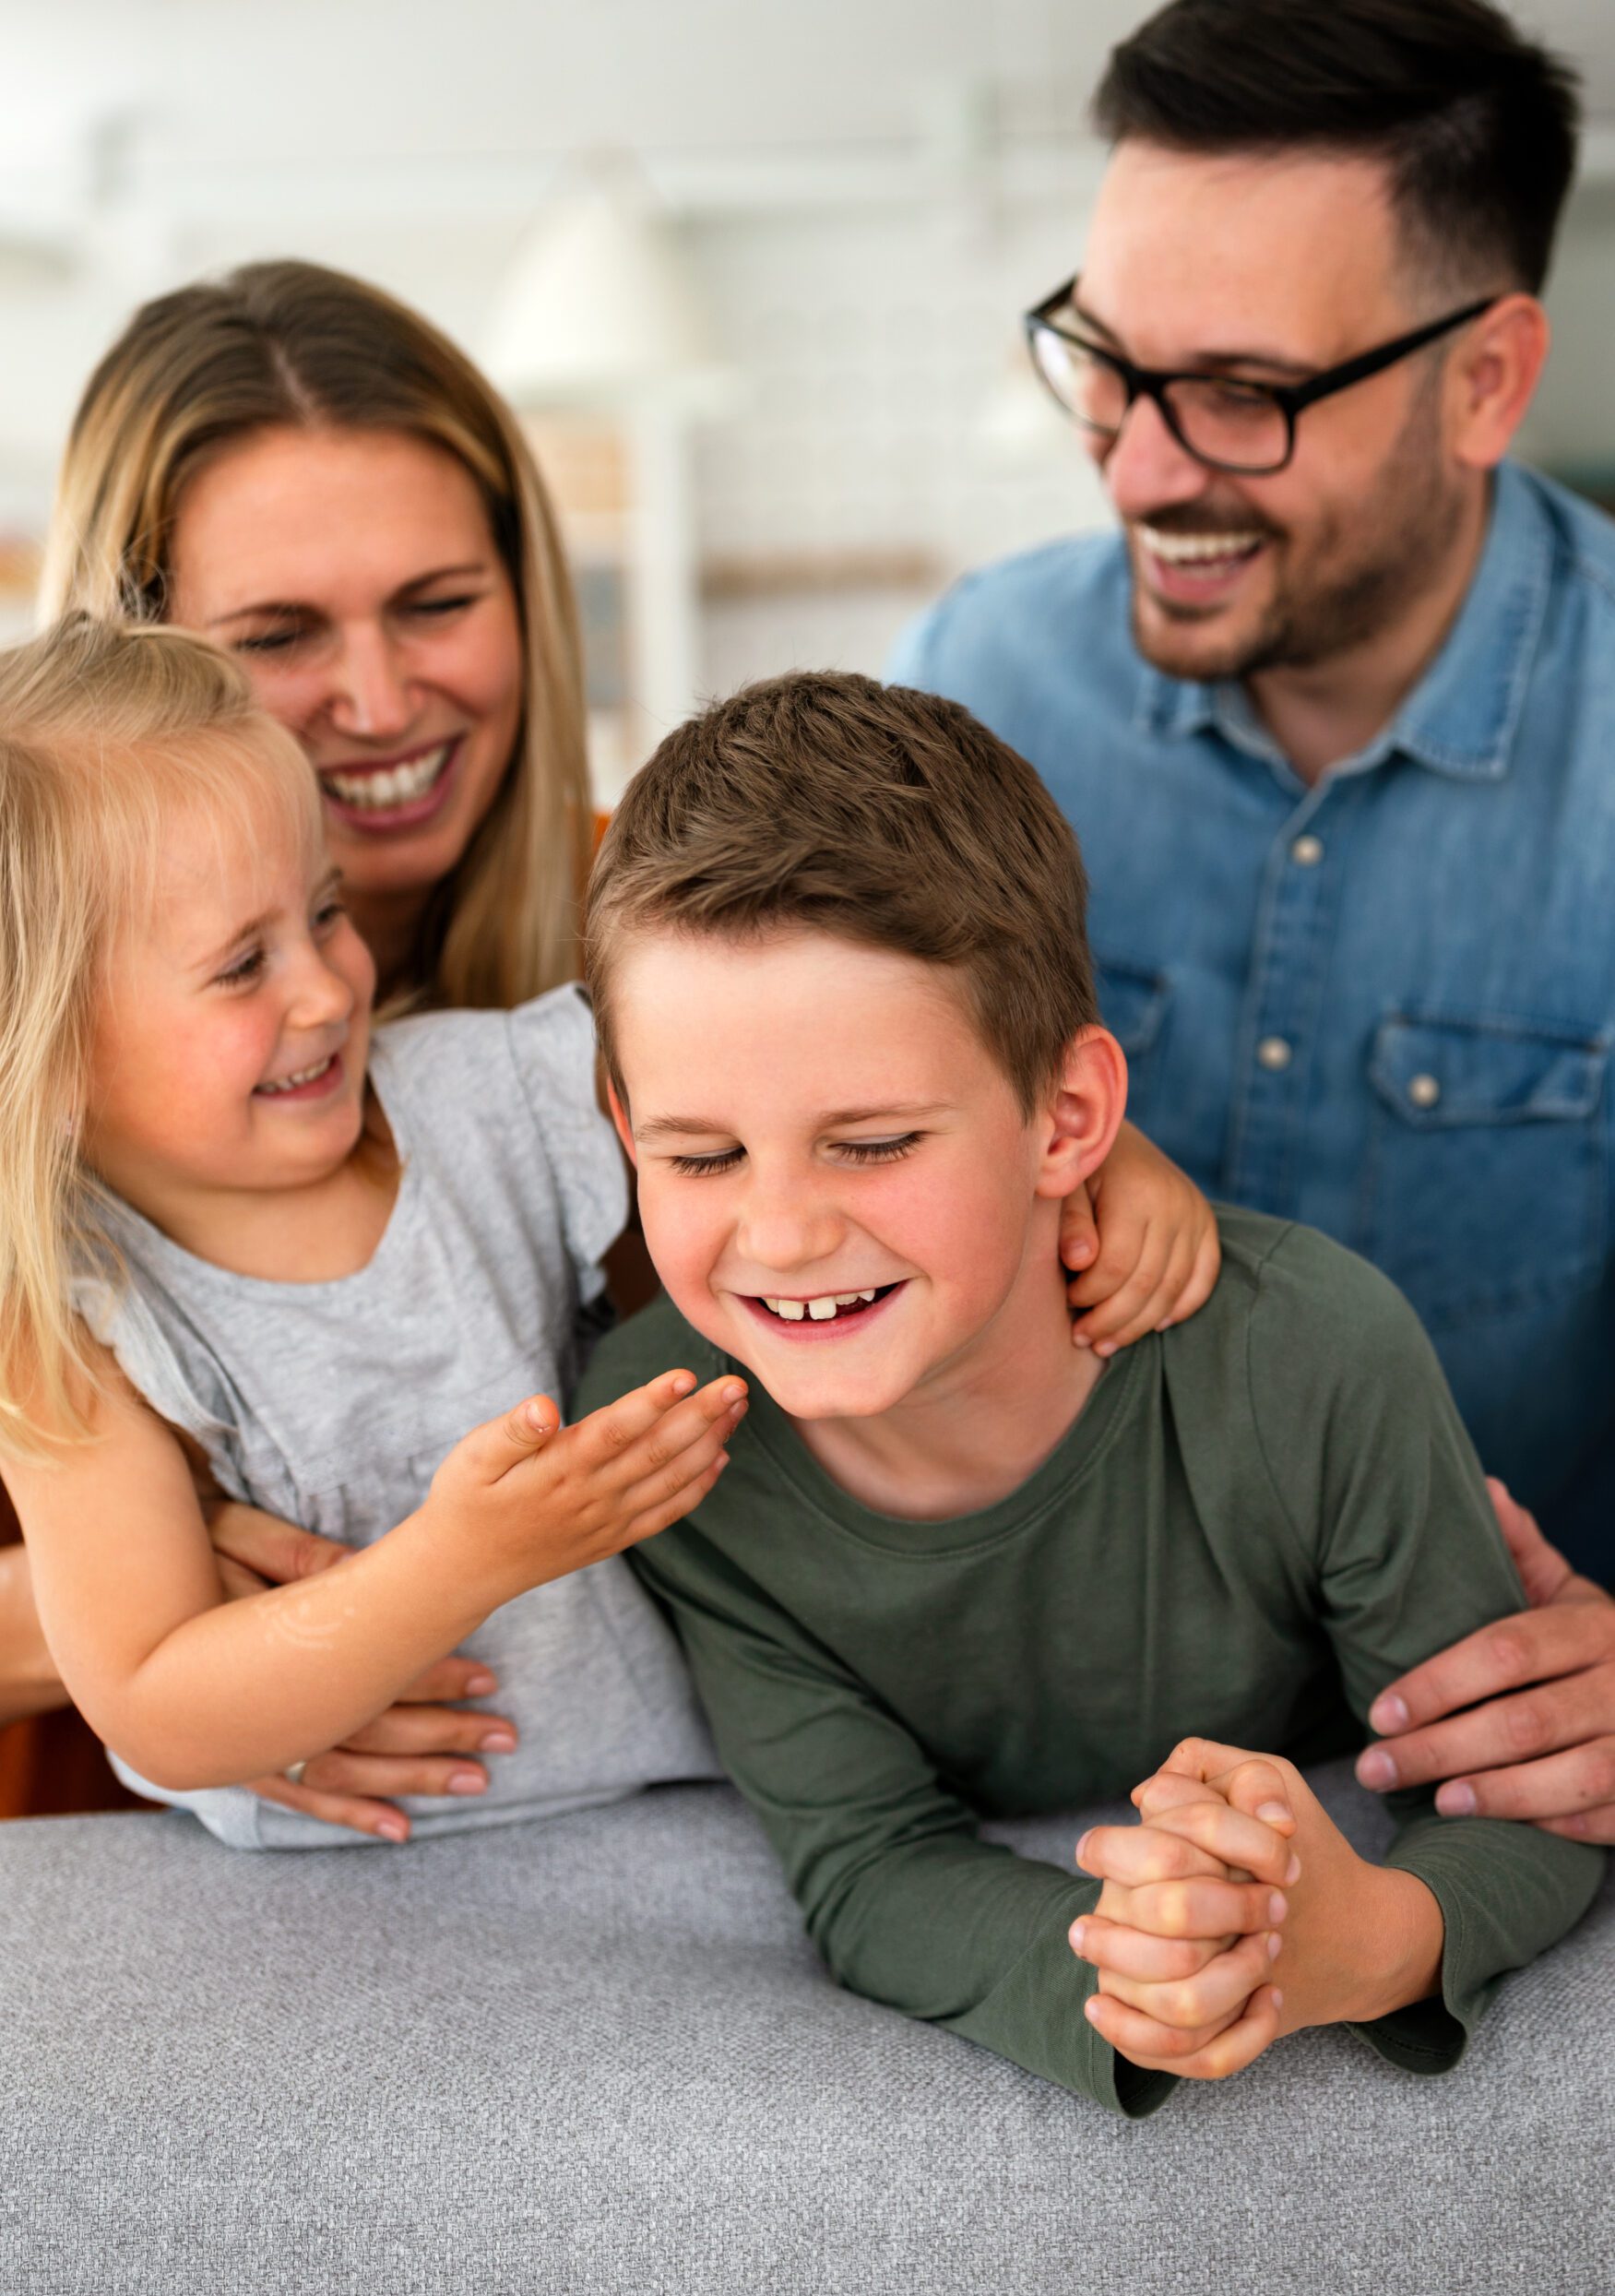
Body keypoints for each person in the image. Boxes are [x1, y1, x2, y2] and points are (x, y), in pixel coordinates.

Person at [0, 259, 1222, 1826]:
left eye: (440, 603)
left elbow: (923, 1082)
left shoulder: (659, 947)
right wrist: (232, 1631)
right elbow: (154, 1669)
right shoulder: (62, 1216)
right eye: (280, 632)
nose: (377, 699)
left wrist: (1103, 1158)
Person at [573, 667, 1601, 2115]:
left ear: (1068, 1122)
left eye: (869, 1144)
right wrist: (1131, 1975)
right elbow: (871, 1865)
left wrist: (1375, 1943)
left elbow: (1524, 1778)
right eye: (698, 1157)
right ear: (623, 1126)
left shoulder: (1312, 1354)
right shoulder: (669, 1450)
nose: (784, 1233)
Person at [889, 0, 1615, 1839]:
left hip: (1498, 1782)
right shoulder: (977, 681)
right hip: (1034, 1756)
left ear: (1486, 378)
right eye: (1109, 365)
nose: (1136, 467)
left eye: (1241, 394)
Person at [0, 616, 750, 1837]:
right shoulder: (66, 1321)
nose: (328, 985)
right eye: (243, 964)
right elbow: (155, 1703)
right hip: (332, 1912)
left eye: (326, 911)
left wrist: (1100, 1162)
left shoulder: (486, 1091)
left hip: (664, 1820)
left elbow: (779, 1051)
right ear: (50, 1051)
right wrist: (459, 1562)